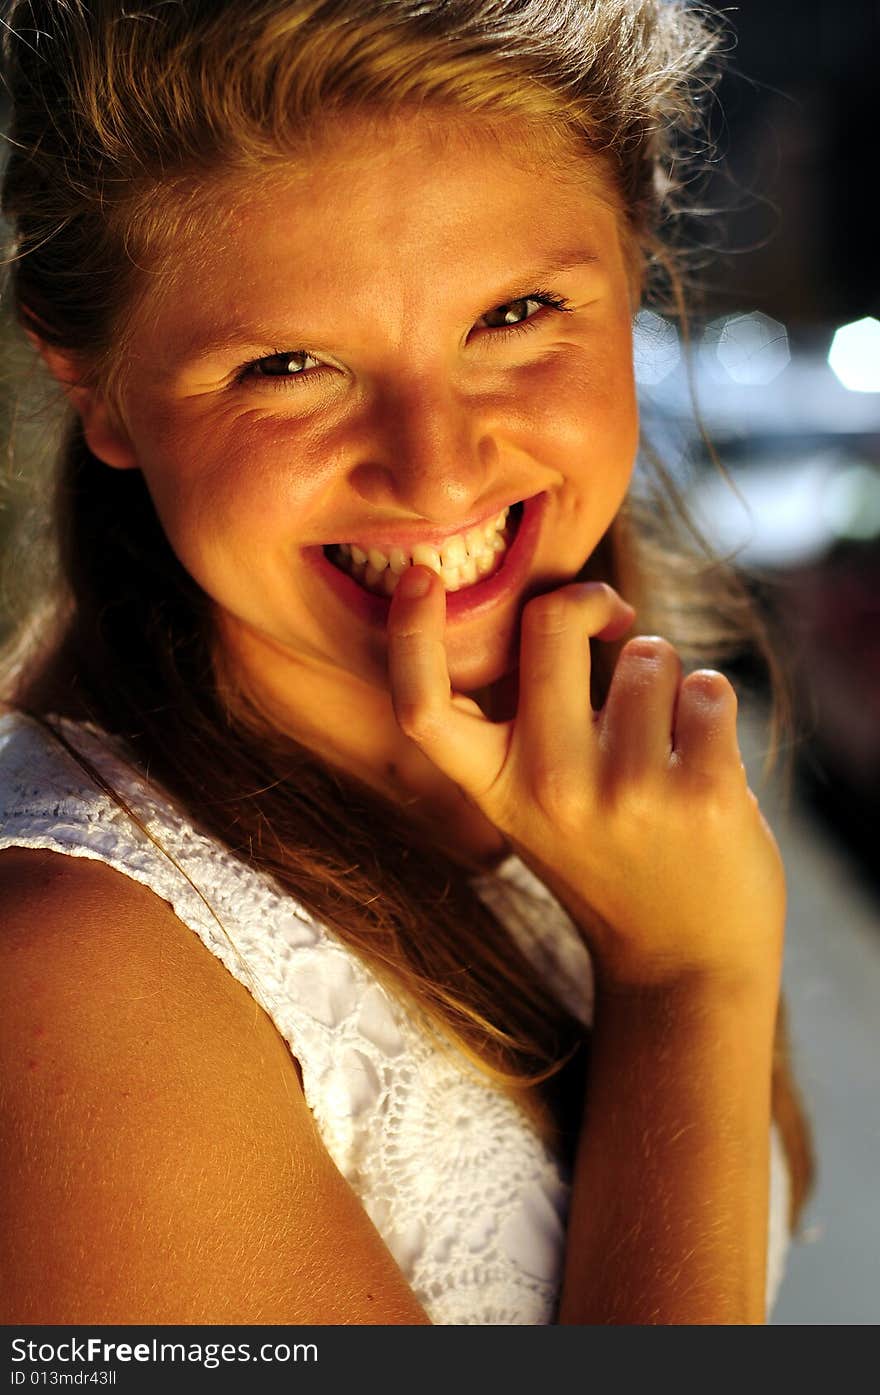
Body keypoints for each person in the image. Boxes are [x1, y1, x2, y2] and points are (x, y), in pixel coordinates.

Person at [0, 0, 813, 1325]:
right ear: (93, 384)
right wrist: (690, 990)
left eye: (515, 314)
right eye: (291, 364)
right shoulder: (63, 979)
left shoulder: (610, 799)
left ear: (636, 253)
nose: (437, 469)